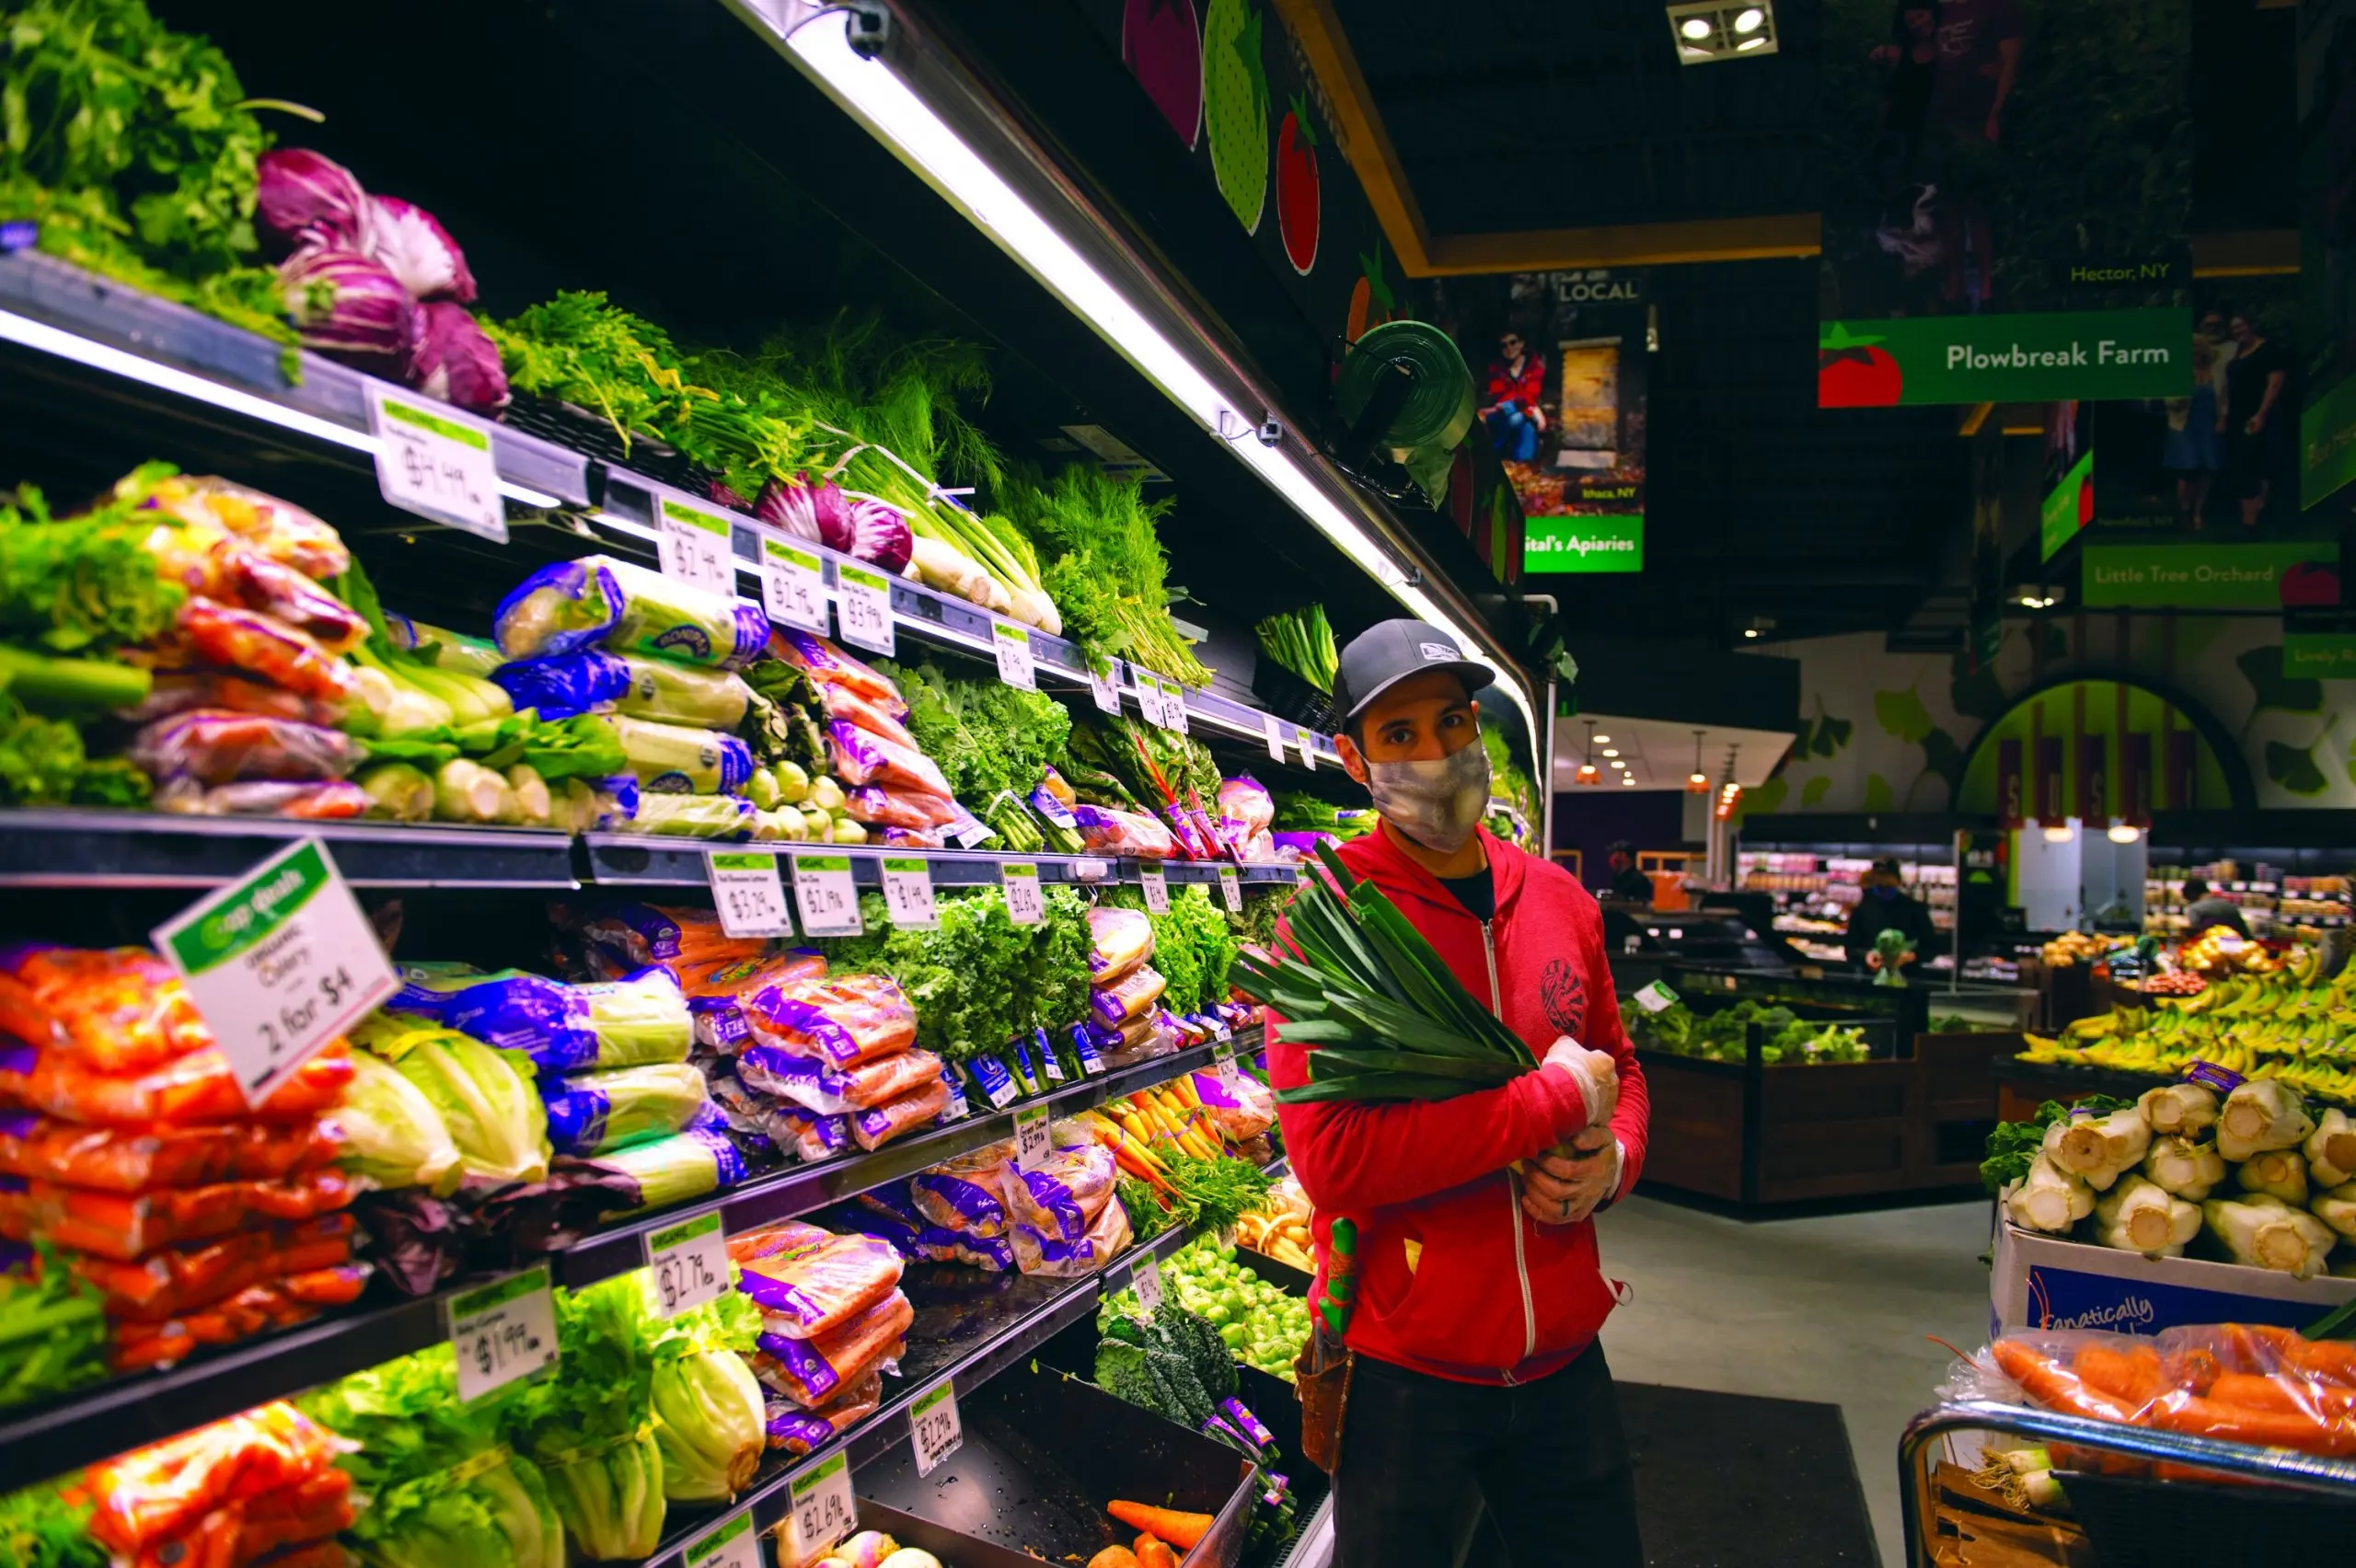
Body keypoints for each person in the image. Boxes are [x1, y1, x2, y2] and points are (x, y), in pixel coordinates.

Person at [1268, 619, 1648, 1568]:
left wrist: (1613, 1160)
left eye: (1449, 722)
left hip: (1565, 1356)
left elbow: (1619, 1066)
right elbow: (1335, 1162)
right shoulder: (1329, 925)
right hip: (1405, 1374)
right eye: (1399, 736)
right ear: (1355, 760)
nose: (1437, 756)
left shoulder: (1562, 900)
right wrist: (1553, 1103)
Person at [2222, 312, 2289, 529]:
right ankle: (2253, 518)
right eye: (2233, 329)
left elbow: (2275, 384)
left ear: (2251, 326)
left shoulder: (2268, 350)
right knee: (2241, 467)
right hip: (2236, 418)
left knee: (2252, 467)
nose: (2237, 332)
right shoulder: (2238, 352)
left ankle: (2251, 522)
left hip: (2257, 417)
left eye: (2240, 327)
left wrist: (2261, 414)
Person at [2163, 316, 2225, 529]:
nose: (2196, 354)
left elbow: (2225, 398)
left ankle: (2199, 512)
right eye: (2192, 351)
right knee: (2188, 471)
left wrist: (2223, 418)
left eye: (2199, 351)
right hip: (2184, 427)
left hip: (2209, 426)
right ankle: (2184, 509)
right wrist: (2182, 394)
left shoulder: (2216, 371)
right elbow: (2168, 401)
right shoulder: (2179, 373)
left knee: (2207, 471)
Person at [1844, 857, 1937, 971]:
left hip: (1907, 978)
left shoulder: (1914, 909)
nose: (1883, 881)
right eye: (1879, 877)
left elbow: (1931, 947)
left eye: (1886, 877)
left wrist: (1911, 956)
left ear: (1897, 879)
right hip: (1870, 980)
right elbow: (1850, 949)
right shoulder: (1862, 909)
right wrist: (1866, 956)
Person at [1479, 330, 1546, 465]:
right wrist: (1532, 409)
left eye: (1513, 342)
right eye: (1504, 345)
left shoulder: (1534, 366)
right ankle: (1521, 464)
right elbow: (1499, 395)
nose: (1509, 348)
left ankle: (1521, 463)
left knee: (1525, 425)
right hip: (1499, 415)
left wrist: (1523, 405)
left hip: (1518, 412)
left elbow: (1531, 393)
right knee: (1520, 418)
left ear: (1522, 344)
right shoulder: (1495, 368)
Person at [2180, 877, 2252, 940]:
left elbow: (2194, 933)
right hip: (2239, 946)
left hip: (2209, 948)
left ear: (2192, 895)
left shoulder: (2194, 909)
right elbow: (2245, 933)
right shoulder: (2229, 905)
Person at [1604, 840, 1655, 904]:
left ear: (1624, 856)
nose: (1611, 859)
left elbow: (1639, 906)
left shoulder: (1639, 880)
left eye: (1613, 854)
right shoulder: (1617, 878)